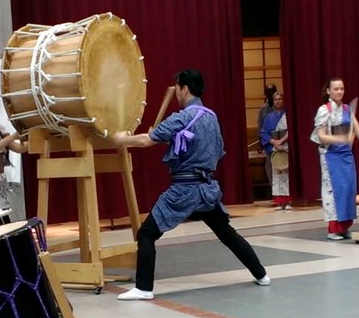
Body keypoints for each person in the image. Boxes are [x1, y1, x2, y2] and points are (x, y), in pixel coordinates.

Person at [107, 69, 269, 301]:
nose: (177, 94)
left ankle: (143, 288)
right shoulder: (211, 117)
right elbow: (216, 150)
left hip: (184, 190)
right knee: (227, 234)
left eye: (178, 89)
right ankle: (261, 274)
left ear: (184, 88)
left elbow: (145, 140)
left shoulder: (182, 117)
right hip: (207, 189)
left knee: (146, 233)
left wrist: (122, 139)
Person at [312, 79, 359, 239]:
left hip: (346, 155)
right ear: (328, 91)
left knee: (348, 189)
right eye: (336, 89)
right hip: (330, 155)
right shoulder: (324, 110)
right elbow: (321, 136)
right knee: (334, 190)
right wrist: (339, 139)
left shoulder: (348, 109)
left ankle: (344, 226)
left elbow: (358, 129)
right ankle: (333, 228)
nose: (339, 91)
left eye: (342, 88)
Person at [259, 91, 292, 210]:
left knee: (287, 174)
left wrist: (281, 141)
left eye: (280, 99)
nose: (278, 101)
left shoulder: (287, 115)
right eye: (275, 99)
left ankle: (288, 201)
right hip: (275, 146)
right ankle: (279, 201)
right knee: (277, 174)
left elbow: (290, 131)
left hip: (285, 146)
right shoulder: (269, 117)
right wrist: (274, 142)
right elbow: (263, 133)